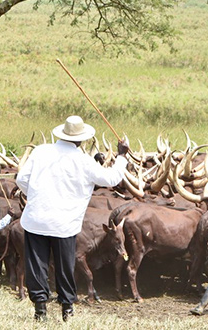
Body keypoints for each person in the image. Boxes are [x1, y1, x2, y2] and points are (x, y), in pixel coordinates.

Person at [16, 115, 128, 322]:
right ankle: (67, 308)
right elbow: (111, 178)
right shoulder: (84, 160)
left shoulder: (41, 151)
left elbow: (21, 179)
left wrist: (36, 197)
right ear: (81, 139)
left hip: (36, 219)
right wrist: (121, 156)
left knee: (37, 264)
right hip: (64, 224)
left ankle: (40, 310)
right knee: (65, 265)